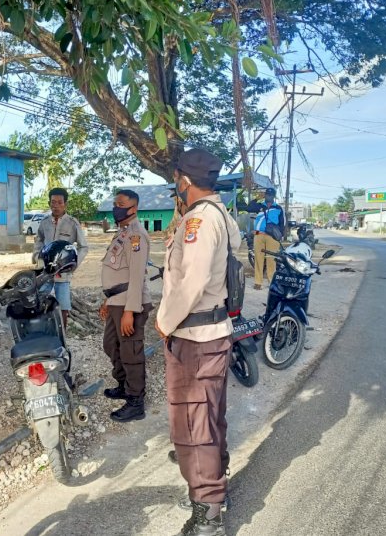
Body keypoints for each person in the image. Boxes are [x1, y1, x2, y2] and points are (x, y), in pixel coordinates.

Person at [155, 148, 241, 536]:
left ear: (184, 181)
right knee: (209, 415)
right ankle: (216, 482)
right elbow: (234, 248)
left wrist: (164, 321)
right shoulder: (220, 214)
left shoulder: (201, 221)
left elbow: (192, 281)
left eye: (177, 180)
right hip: (212, 333)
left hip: (194, 335)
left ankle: (208, 511)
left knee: (193, 423)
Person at [99, 189, 153, 422]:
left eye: (121, 204)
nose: (116, 207)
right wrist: (107, 300)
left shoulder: (136, 236)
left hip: (129, 303)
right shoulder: (122, 233)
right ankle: (123, 384)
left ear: (133, 209)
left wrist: (130, 311)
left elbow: (137, 276)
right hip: (116, 301)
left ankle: (135, 401)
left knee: (131, 351)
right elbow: (115, 272)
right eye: (115, 203)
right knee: (111, 344)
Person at [33, 187, 89, 329]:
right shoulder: (44, 222)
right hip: (44, 271)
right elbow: (39, 239)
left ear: (65, 204)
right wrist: (36, 256)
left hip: (62, 273)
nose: (56, 206)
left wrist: (74, 264)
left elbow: (84, 247)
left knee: (63, 307)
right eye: (53, 202)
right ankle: (42, 333)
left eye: (59, 202)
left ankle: (62, 337)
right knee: (40, 301)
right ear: (49, 203)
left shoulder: (72, 223)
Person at [250, 187, 284, 289]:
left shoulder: (278, 208)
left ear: (274, 196)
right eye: (267, 194)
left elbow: (282, 223)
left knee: (271, 260)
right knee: (258, 259)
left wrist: (280, 235)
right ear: (265, 195)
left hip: (272, 237)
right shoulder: (259, 206)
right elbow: (249, 207)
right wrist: (257, 198)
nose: (268, 196)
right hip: (258, 235)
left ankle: (271, 282)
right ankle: (258, 282)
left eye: (271, 195)